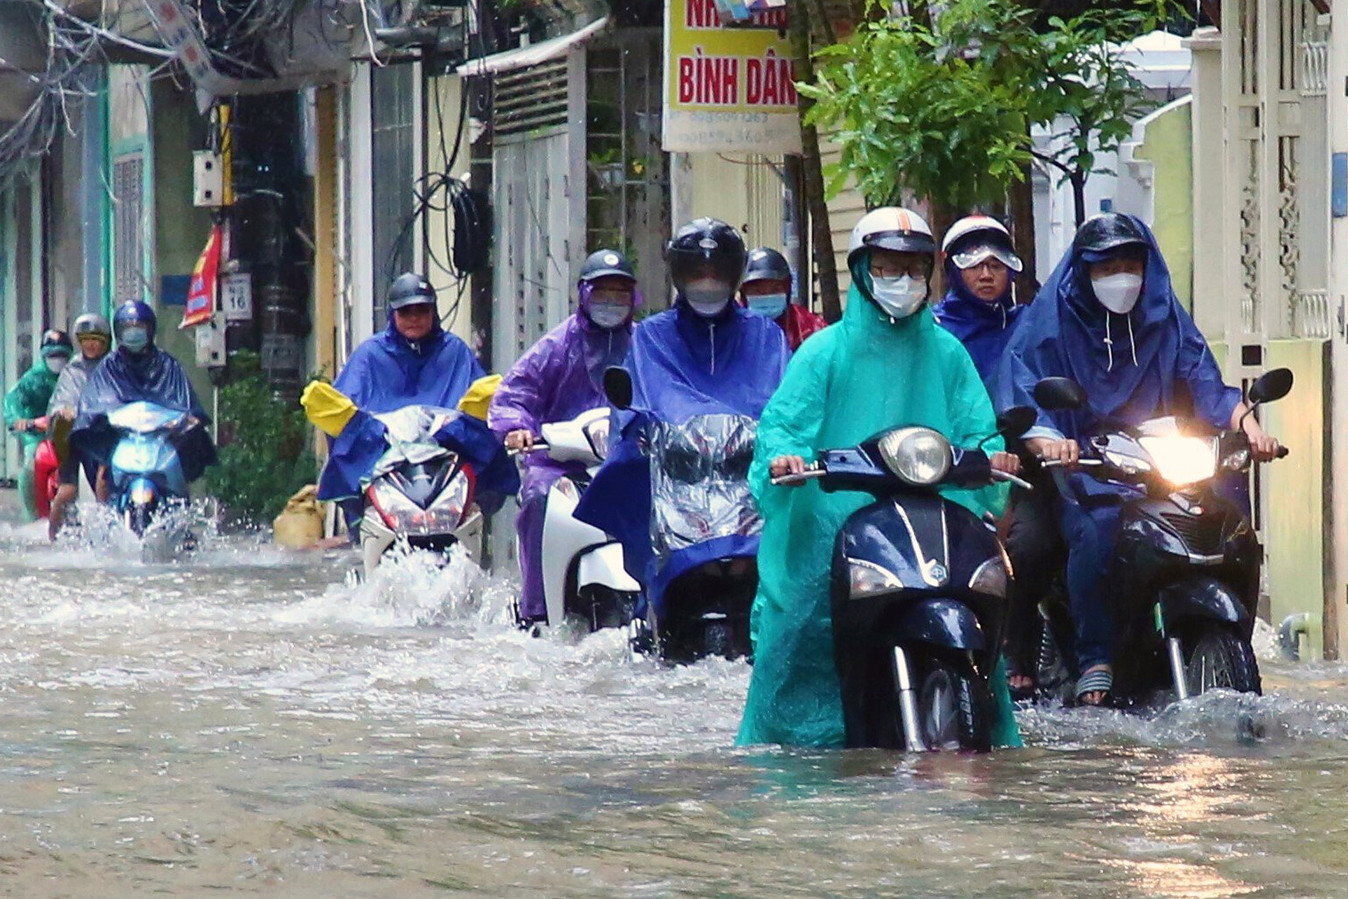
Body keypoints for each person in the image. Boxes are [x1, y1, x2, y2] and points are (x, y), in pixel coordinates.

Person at [736, 206, 1023, 749]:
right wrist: (788, 460)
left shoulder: (947, 352)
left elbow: (976, 426)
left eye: (915, 269)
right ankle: (786, 747)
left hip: (931, 514)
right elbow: (785, 424)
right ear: (864, 271)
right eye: (891, 268)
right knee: (799, 621)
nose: (905, 281)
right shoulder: (824, 351)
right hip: (831, 516)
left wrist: (995, 457)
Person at [997, 213, 1281, 706]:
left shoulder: (1162, 315)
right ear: (1083, 271)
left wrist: (1249, 426)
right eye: (1107, 268)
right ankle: (1095, 657)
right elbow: (1025, 388)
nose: (1121, 277)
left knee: (1225, 520)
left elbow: (1203, 376)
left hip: (1157, 457)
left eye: (1131, 264)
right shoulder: (1050, 320)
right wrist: (1049, 441)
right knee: (1094, 528)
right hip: (1082, 462)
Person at [488, 249, 641, 625]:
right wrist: (518, 429)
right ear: (583, 296)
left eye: (620, 294)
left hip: (628, 461)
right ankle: (536, 610)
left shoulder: (647, 346)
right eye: (601, 294)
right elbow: (514, 395)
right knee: (537, 501)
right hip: (558, 464)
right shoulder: (556, 346)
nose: (611, 303)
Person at [313, 273, 496, 535]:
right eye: (405, 311)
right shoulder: (370, 355)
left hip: (446, 470)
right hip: (386, 471)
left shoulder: (454, 351)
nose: (414, 318)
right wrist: (371, 435)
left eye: (422, 310)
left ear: (433, 312)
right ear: (392, 314)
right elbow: (347, 415)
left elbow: (478, 409)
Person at [70, 301, 217, 488]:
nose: (133, 332)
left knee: (179, 465)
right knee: (103, 476)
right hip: (123, 438)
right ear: (118, 331)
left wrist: (188, 419)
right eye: (127, 327)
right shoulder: (109, 366)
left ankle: (180, 507)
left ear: (150, 329)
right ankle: (105, 515)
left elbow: (184, 401)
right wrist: (101, 417)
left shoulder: (167, 364)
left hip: (161, 439)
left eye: (139, 327)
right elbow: (96, 401)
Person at [932, 215, 1025, 389]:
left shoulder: (1025, 324)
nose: (986, 276)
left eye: (996, 266)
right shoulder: (934, 327)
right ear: (954, 271)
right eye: (974, 266)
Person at [47, 313, 113, 539]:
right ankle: (53, 540)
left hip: (104, 436)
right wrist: (65, 412)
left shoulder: (114, 366)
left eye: (96, 339)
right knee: (67, 492)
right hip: (74, 438)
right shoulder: (72, 369)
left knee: (104, 482)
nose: (90, 344)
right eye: (85, 339)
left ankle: (108, 534)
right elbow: (61, 401)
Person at [4, 329, 73, 521]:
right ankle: (32, 515)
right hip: (39, 434)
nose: (57, 359)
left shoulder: (76, 374)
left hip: (72, 432)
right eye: (52, 355)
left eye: (62, 355)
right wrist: (19, 420)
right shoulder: (33, 378)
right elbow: (12, 401)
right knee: (31, 462)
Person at [738, 246, 827, 350]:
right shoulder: (731, 328)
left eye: (776, 289)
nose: (767, 296)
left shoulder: (809, 328)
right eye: (758, 291)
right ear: (743, 292)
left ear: (788, 289)